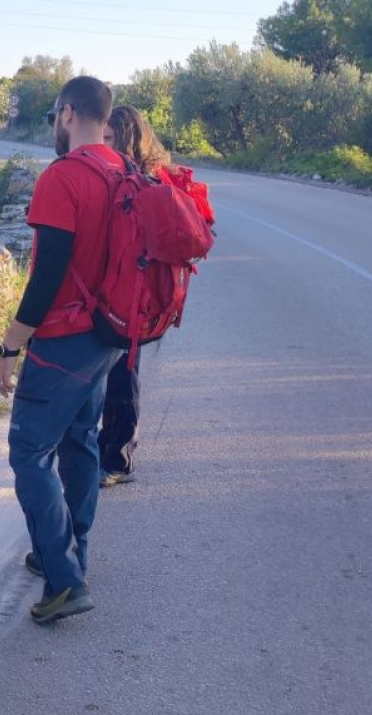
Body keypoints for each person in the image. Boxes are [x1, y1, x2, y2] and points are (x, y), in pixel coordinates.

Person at [0, 76, 123, 624]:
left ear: (67, 113)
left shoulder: (63, 177)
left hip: (64, 338)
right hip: (108, 336)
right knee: (80, 444)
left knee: (28, 453)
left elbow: (46, 273)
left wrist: (9, 347)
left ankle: (65, 580)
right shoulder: (124, 173)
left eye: (54, 118)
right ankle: (66, 555)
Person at [95, 105, 216, 488]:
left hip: (134, 298)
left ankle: (118, 460)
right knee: (116, 373)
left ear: (128, 138)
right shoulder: (150, 175)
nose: (103, 145)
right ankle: (110, 451)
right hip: (130, 295)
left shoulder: (144, 180)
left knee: (120, 375)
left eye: (110, 138)